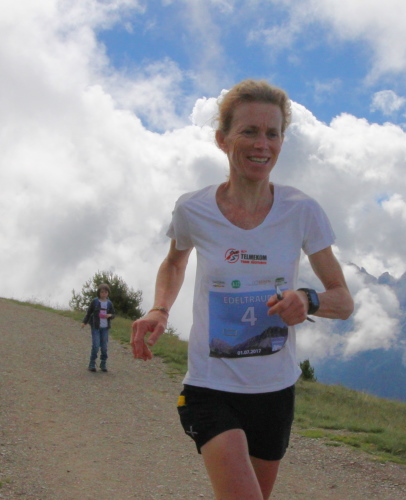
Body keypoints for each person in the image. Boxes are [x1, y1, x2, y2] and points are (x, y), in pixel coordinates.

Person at [130, 79, 354, 500]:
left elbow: (343, 300)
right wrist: (159, 308)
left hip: (275, 392)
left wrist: (307, 300)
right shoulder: (193, 209)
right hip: (210, 386)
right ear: (222, 139)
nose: (261, 144)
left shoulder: (302, 211)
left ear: (282, 141)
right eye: (249, 131)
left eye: (272, 133)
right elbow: (175, 262)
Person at [81, 283, 116, 372]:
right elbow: (89, 312)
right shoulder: (95, 302)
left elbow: (113, 314)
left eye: (106, 292)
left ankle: (103, 363)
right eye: (102, 292)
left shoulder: (109, 303)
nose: (104, 294)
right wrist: (84, 322)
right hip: (96, 327)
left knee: (104, 347)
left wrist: (110, 315)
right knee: (96, 346)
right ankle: (92, 363)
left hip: (105, 328)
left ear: (108, 293)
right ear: (99, 293)